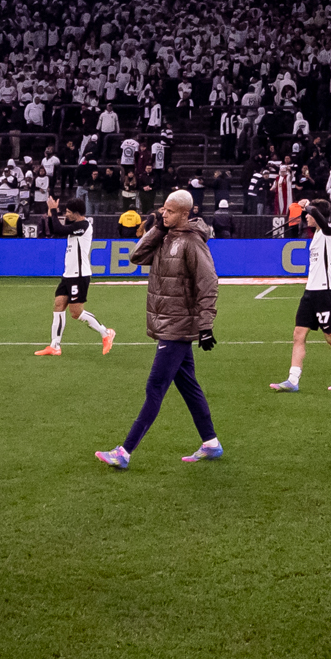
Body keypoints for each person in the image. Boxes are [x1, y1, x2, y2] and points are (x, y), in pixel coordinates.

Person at [99, 188, 224, 467]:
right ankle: (211, 443)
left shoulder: (193, 243)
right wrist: (156, 227)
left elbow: (208, 283)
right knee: (189, 386)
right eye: (163, 209)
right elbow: (137, 256)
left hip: (177, 326)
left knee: (155, 386)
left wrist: (205, 326)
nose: (163, 213)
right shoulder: (165, 235)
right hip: (167, 322)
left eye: (168, 211)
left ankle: (124, 451)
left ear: (184, 213)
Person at [271, 200, 331, 392]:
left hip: (325, 291)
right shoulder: (317, 234)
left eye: (308, 214)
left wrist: (308, 205)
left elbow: (317, 215)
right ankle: (293, 380)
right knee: (298, 334)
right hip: (311, 291)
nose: (306, 217)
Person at [38, 204, 114, 357]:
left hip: (79, 275)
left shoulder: (84, 225)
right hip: (68, 274)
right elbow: (56, 230)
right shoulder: (74, 226)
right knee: (59, 305)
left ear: (75, 213)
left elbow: (60, 229)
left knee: (76, 313)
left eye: (67, 212)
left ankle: (106, 333)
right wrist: (51, 213)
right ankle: (55, 346)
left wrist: (54, 211)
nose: (66, 215)